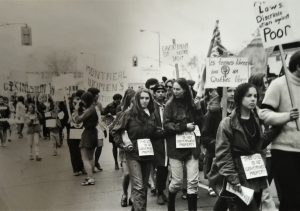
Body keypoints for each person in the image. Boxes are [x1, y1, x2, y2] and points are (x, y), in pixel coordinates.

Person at [208, 83, 268, 211]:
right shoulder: (227, 123)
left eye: (255, 96)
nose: (253, 99)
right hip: (236, 173)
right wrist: (233, 178)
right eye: (249, 96)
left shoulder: (257, 120)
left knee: (226, 203)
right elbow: (223, 154)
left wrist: (261, 165)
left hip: (252, 174)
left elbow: (260, 147)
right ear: (240, 98)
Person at [259, 51, 300, 211]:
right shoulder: (279, 84)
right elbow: (264, 114)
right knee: (292, 199)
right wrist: (287, 116)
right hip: (284, 152)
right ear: (298, 66)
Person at [112, 88, 161, 211]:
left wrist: (173, 130)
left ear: (150, 100)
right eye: (142, 98)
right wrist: (123, 145)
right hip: (133, 154)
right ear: (137, 100)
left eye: (147, 98)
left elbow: (155, 133)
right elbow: (115, 131)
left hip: (148, 153)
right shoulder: (129, 113)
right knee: (138, 187)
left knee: (143, 187)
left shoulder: (152, 114)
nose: (144, 101)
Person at [164, 78, 202, 211]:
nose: (175, 91)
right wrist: (183, 126)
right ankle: (171, 207)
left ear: (185, 89)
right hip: (175, 148)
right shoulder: (169, 105)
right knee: (177, 182)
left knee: (193, 182)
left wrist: (198, 110)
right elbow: (167, 126)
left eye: (178, 89)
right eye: (173, 89)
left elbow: (200, 123)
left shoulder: (192, 104)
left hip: (191, 146)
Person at [111, 88, 136, 207]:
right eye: (132, 101)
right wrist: (121, 144)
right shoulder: (122, 114)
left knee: (135, 175)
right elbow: (114, 130)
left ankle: (132, 195)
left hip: (137, 149)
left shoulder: (142, 114)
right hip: (125, 149)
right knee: (126, 174)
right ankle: (124, 194)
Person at [73, 92, 98, 186]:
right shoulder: (92, 109)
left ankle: (90, 178)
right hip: (93, 133)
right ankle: (90, 175)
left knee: (85, 158)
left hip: (87, 133)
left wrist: (75, 109)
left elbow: (78, 120)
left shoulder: (90, 110)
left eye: (82, 100)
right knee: (91, 157)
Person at [152, 83, 169, 205]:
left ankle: (162, 190)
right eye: (158, 92)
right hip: (157, 141)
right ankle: (159, 192)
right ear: (154, 93)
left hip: (168, 141)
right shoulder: (151, 106)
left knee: (165, 167)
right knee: (160, 167)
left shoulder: (168, 105)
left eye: (162, 91)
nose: (161, 94)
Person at [103, 93, 123, 170]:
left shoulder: (122, 106)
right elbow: (103, 116)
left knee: (122, 146)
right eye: (116, 99)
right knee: (114, 146)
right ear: (113, 99)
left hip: (120, 127)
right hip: (112, 128)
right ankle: (116, 162)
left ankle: (122, 161)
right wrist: (109, 118)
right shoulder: (109, 106)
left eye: (119, 99)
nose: (118, 101)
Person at [67, 90, 85, 176]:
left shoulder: (84, 108)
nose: (77, 101)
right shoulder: (68, 108)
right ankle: (76, 169)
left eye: (79, 99)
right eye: (76, 99)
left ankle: (83, 167)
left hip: (82, 131)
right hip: (72, 132)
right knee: (74, 151)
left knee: (83, 151)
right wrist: (65, 119)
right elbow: (60, 118)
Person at [87, 87, 105, 172]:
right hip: (90, 128)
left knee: (100, 146)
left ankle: (96, 162)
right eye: (96, 94)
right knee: (92, 147)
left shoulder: (99, 104)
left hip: (99, 127)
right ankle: (91, 164)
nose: (98, 96)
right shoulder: (87, 104)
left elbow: (101, 115)